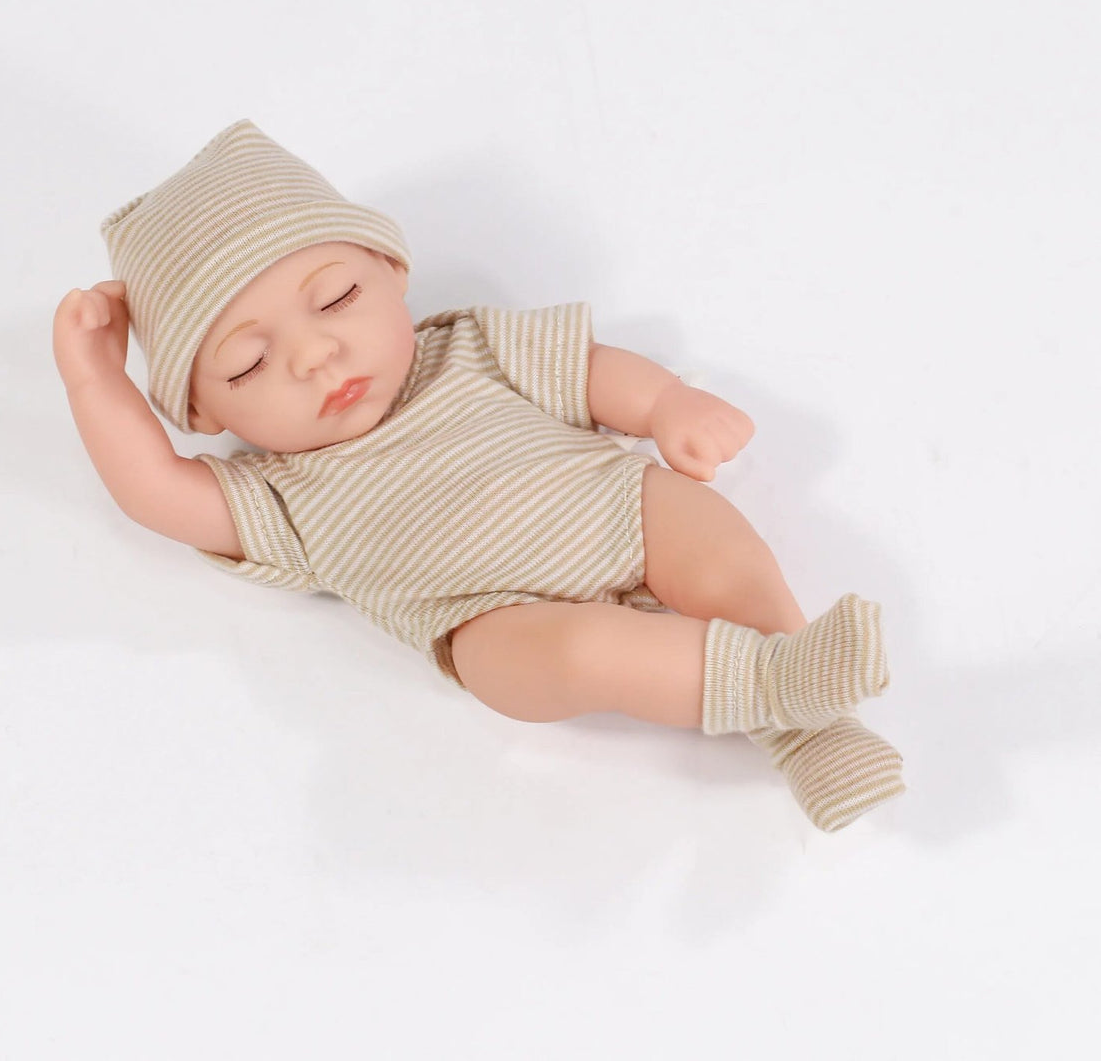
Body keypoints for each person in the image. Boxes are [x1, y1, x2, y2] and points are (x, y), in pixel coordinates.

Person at [53, 118, 905, 832]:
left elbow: (587, 371)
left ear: (392, 271)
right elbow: (152, 488)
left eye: (335, 298)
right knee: (570, 657)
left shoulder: (469, 348)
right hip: (495, 617)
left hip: (618, 509)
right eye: (248, 364)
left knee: (713, 545)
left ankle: (812, 732)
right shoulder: (278, 497)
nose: (315, 355)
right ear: (205, 413)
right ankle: (775, 686)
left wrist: (666, 404)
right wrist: (94, 378)